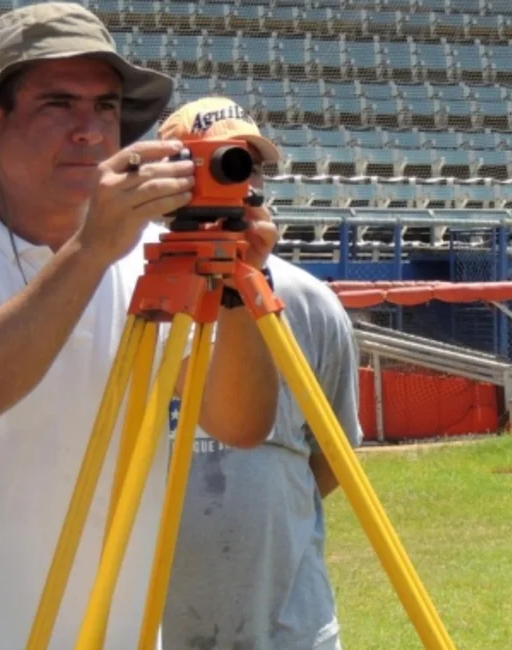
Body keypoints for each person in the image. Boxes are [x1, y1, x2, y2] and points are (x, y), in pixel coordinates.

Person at [0, 5, 281, 649]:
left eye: (106, 107)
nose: (89, 131)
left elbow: (241, 424)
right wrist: (91, 251)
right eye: (58, 103)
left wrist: (235, 289)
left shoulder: (146, 260)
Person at [154, 97, 364, 650]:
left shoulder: (311, 303)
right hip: (152, 624)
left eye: (246, 163)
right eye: (217, 162)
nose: (236, 180)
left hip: (288, 624)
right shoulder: (135, 296)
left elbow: (332, 456)